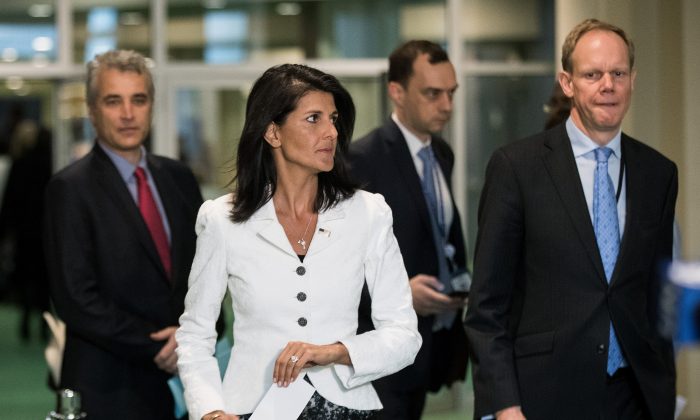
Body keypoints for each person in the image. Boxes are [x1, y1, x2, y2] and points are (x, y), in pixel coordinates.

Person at [175, 64, 421, 420]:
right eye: (313, 119)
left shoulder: (369, 213)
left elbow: (404, 335)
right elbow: (195, 335)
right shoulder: (222, 220)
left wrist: (333, 351)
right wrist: (210, 410)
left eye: (333, 119)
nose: (331, 132)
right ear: (273, 132)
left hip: (346, 410)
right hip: (252, 409)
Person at [464, 18, 677, 420]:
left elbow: (656, 297)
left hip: (635, 398)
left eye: (618, 73)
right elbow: (486, 308)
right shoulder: (517, 167)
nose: (608, 85)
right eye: (592, 74)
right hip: (544, 397)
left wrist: (664, 394)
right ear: (567, 83)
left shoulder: (658, 173)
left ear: (632, 80)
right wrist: (504, 406)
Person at [44, 50, 203, 419]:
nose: (128, 114)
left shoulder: (178, 178)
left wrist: (191, 334)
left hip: (187, 377)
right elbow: (75, 298)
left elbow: (205, 271)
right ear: (92, 109)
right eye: (113, 101)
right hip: (109, 386)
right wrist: (157, 346)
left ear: (152, 106)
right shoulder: (70, 188)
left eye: (139, 99)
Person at [349, 40, 469, 420]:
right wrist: (399, 294)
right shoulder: (363, 159)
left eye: (451, 93)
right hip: (380, 355)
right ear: (396, 92)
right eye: (433, 94)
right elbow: (338, 267)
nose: (446, 105)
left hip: (428, 344)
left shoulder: (442, 155)